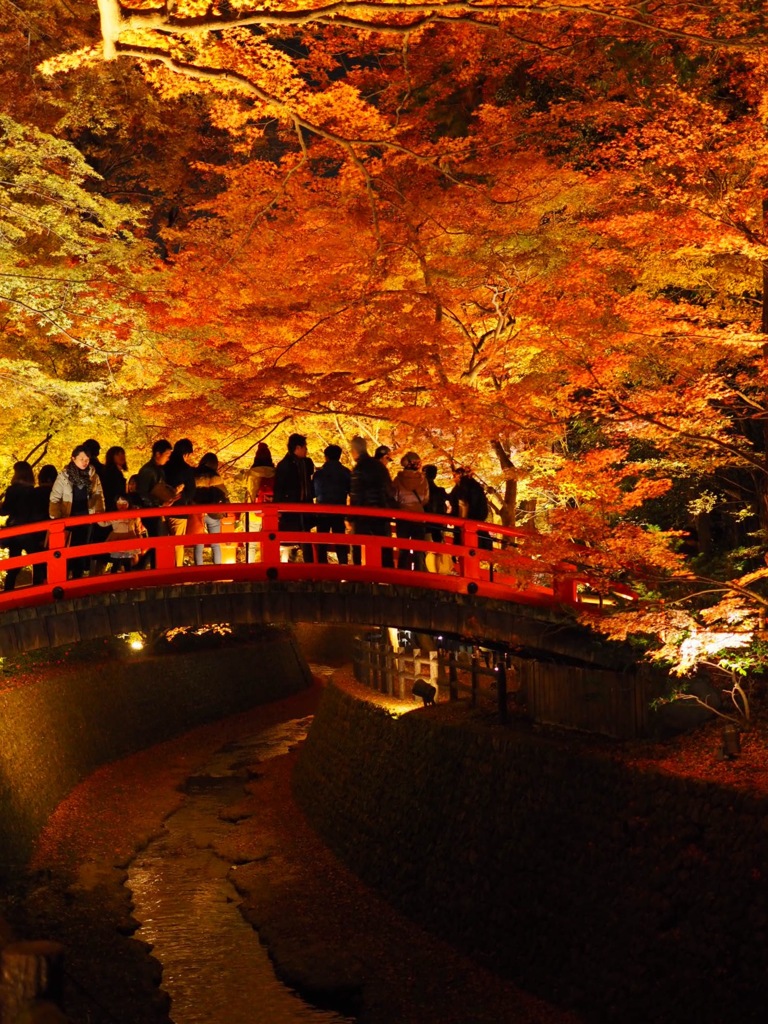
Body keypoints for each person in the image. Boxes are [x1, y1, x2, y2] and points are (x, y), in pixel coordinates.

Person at [49, 445, 105, 578]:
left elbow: (99, 495)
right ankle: (66, 579)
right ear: (73, 458)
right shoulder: (63, 476)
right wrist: (56, 518)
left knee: (82, 550)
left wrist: (100, 513)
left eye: (87, 459)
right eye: (81, 459)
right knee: (68, 551)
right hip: (69, 518)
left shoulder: (93, 476)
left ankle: (78, 578)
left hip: (87, 517)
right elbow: (55, 498)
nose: (85, 462)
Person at [349, 436, 395, 568]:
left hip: (363, 516)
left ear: (354, 450)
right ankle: (387, 579)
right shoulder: (379, 467)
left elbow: (356, 495)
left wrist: (351, 516)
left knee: (360, 548)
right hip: (382, 513)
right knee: (384, 549)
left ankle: (362, 579)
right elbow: (389, 490)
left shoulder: (359, 468)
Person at [274, 433, 315, 563]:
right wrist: (278, 509)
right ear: (297, 448)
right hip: (290, 506)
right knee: (292, 538)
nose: (306, 450)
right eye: (305, 447)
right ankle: (290, 568)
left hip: (305, 505)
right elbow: (279, 488)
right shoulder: (284, 465)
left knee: (305, 537)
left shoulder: (307, 463)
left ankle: (309, 570)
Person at [135, 439, 176, 568]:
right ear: (158, 454)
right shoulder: (148, 471)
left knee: (159, 542)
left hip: (157, 510)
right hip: (151, 511)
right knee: (158, 542)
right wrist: (159, 502)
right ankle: (143, 567)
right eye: (167, 455)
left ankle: (151, 568)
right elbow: (142, 493)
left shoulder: (157, 470)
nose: (168, 459)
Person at [313, 444, 351, 565]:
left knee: (322, 542)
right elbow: (351, 491)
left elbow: (314, 492)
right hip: (339, 510)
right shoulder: (345, 473)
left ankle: (322, 570)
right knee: (340, 540)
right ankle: (343, 568)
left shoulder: (319, 474)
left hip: (322, 511)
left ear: (326, 457)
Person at [1, 461, 37, 590]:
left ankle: (8, 590)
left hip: (15, 529)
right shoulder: (32, 490)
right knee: (37, 559)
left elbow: (5, 510)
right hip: (29, 529)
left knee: (14, 562)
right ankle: (39, 587)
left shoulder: (13, 489)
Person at [392, 451, 429, 571]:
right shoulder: (423, 480)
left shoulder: (398, 480)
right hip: (419, 516)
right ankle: (419, 574)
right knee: (419, 548)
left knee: (403, 548)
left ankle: (402, 573)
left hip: (403, 517)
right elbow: (425, 499)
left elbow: (394, 498)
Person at [189, 453, 228, 566]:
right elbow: (224, 493)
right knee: (215, 544)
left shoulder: (194, 474)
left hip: (197, 512)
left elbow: (189, 494)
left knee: (198, 544)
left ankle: (199, 572)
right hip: (214, 512)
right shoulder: (215, 476)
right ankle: (217, 569)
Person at [164, 438, 197, 567]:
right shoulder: (186, 469)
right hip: (179, 511)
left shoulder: (164, 466)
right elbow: (191, 491)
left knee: (163, 542)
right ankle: (177, 570)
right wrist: (183, 498)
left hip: (162, 509)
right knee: (178, 543)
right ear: (186, 454)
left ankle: (163, 568)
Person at [245, 442, 275, 562]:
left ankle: (250, 567)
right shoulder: (274, 472)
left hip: (254, 511)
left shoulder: (251, 473)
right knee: (269, 540)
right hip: (270, 511)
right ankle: (269, 565)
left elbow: (248, 489)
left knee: (251, 542)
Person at [449, 466, 492, 550]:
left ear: (460, 475)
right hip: (472, 519)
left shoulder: (465, 487)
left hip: (467, 518)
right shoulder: (475, 486)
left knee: (465, 544)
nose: (454, 478)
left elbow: (459, 501)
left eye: (455, 476)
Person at [30, 464, 58, 585]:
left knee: (38, 562)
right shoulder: (56, 493)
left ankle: (37, 586)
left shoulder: (33, 493)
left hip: (35, 531)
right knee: (54, 560)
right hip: (53, 530)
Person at [423, 464, 452, 573]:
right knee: (438, 548)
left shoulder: (420, 491)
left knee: (424, 549)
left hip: (424, 524)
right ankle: (438, 571)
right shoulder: (440, 491)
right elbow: (451, 502)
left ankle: (425, 571)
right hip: (438, 525)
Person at [102, 446, 129, 511]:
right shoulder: (111, 473)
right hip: (114, 507)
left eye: (122, 453)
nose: (121, 456)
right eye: (117, 454)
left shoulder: (117, 472)